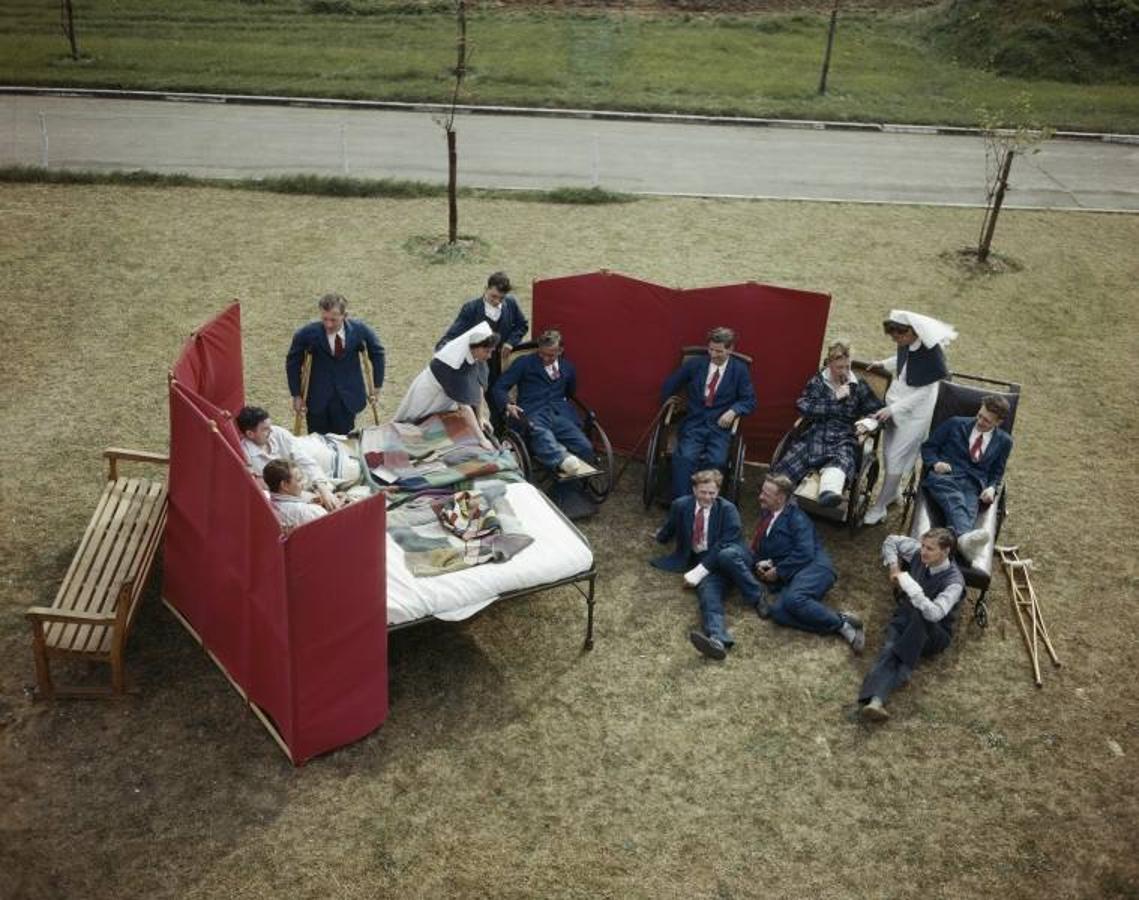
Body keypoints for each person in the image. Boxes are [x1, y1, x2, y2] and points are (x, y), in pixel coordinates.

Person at [702, 475, 865, 653]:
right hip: (794, 572)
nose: (760, 496)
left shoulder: (797, 518)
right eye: (762, 492)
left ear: (780, 498)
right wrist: (768, 562)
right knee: (779, 613)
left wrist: (779, 571)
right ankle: (838, 623)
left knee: (794, 600)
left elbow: (805, 552)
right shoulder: (768, 514)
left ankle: (842, 624)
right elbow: (781, 547)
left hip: (815, 567)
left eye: (766, 493)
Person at [858, 528, 965, 722]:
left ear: (946, 551)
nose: (923, 551)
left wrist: (911, 588)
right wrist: (893, 567)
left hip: (934, 633)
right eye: (923, 545)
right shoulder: (919, 552)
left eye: (930, 549)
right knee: (890, 648)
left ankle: (896, 676)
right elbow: (891, 540)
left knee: (918, 621)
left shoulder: (954, 582)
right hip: (905, 617)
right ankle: (878, 698)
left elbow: (935, 614)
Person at [862, 310, 956, 526]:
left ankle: (879, 508)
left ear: (912, 332)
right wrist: (883, 364)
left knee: (896, 457)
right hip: (897, 401)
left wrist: (895, 410)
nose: (896, 340)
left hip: (915, 413)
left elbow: (924, 392)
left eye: (898, 336)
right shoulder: (906, 342)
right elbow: (904, 359)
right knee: (888, 453)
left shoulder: (932, 354)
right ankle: (892, 492)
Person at [773, 341, 884, 507]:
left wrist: (867, 423)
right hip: (816, 431)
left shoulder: (858, 385)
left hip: (844, 435)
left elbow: (878, 412)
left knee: (842, 459)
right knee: (796, 458)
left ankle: (829, 492)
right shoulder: (819, 382)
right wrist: (833, 399)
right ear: (829, 363)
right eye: (839, 367)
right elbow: (803, 405)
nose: (845, 371)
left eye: (847, 366)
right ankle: (778, 493)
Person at [651, 470, 745, 660]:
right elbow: (671, 525)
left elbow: (724, 545)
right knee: (707, 592)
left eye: (712, 493)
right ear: (694, 489)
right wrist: (661, 537)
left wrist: (699, 572)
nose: (707, 497)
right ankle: (717, 638)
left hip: (718, 559)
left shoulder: (728, 510)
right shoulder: (680, 505)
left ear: (718, 492)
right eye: (703, 492)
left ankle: (717, 639)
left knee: (709, 595)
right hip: (693, 557)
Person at [660, 326, 757, 502]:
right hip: (694, 422)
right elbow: (671, 384)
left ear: (730, 349)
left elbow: (749, 400)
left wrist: (733, 410)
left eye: (719, 351)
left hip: (720, 427)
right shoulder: (696, 364)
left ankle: (706, 502)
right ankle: (683, 503)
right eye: (710, 349)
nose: (713, 354)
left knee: (717, 461)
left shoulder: (739, 370)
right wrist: (669, 400)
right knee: (685, 457)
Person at [919, 394, 1013, 563]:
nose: (980, 421)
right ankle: (964, 540)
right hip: (945, 477)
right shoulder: (955, 423)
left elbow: (997, 472)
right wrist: (935, 463)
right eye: (980, 415)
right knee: (955, 499)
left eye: (987, 421)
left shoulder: (1004, 442)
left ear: (998, 422)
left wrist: (992, 487)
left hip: (973, 485)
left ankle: (959, 542)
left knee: (968, 511)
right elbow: (928, 447)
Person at [490, 329, 595, 477]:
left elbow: (570, 392)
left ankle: (569, 488)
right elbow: (499, 387)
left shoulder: (568, 368)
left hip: (560, 414)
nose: (545, 358)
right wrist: (507, 404)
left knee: (585, 447)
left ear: (560, 350)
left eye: (550, 355)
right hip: (532, 412)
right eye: (541, 354)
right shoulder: (524, 363)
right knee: (541, 435)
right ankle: (562, 459)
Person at [286, 293, 385, 435]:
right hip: (317, 398)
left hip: (346, 398)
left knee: (343, 440)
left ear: (345, 315)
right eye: (324, 319)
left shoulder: (359, 330)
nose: (328, 324)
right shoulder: (307, 334)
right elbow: (293, 363)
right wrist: (296, 395)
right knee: (317, 442)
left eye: (333, 320)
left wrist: (377, 386)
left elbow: (377, 352)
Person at [394, 322, 499, 444]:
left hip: (447, 398)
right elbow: (464, 407)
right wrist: (482, 439)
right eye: (487, 351)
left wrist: (480, 417)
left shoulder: (479, 357)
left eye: (491, 351)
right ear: (475, 347)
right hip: (429, 395)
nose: (489, 356)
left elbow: (479, 386)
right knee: (413, 426)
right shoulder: (453, 362)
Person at [237, 405, 340, 510]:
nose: (271, 431)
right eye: (265, 429)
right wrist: (310, 498)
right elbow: (269, 492)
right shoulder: (245, 456)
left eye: (270, 426)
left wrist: (324, 490)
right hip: (293, 495)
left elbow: (305, 461)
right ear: (250, 434)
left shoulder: (278, 433)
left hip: (317, 459)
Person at [436, 271, 529, 384]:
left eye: (501, 298)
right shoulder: (471, 308)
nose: (497, 301)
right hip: (477, 366)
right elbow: (454, 334)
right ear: (486, 289)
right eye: (493, 296)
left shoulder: (511, 303)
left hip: (501, 364)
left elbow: (522, 325)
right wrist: (441, 350)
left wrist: (511, 342)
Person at [263, 459, 329, 530]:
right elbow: (331, 522)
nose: (304, 483)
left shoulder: (267, 507)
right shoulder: (308, 511)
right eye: (299, 480)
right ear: (284, 485)